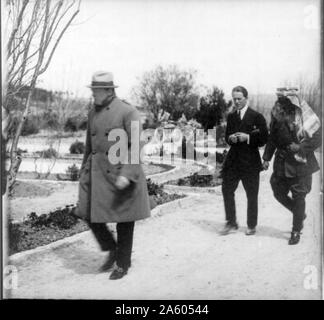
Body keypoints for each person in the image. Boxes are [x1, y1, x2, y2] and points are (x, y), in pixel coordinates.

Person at [75, 71, 151, 279]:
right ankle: (111, 247)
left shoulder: (129, 112)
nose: (93, 95)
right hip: (98, 174)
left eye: (96, 91)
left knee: (125, 220)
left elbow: (137, 145)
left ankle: (122, 263)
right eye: (92, 91)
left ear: (108, 91)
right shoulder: (92, 112)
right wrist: (84, 170)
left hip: (123, 173)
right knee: (86, 211)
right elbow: (89, 146)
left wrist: (127, 174)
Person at [262, 89, 321, 245]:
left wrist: (301, 148)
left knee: (299, 196)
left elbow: (318, 138)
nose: (279, 102)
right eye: (278, 99)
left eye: (283, 99)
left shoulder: (304, 116)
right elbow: (272, 139)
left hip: (301, 163)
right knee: (277, 191)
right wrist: (266, 158)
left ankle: (296, 230)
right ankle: (299, 214)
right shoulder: (276, 116)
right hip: (281, 163)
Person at [221, 86, 268, 235]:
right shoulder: (231, 116)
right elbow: (227, 136)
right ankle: (231, 222)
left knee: (251, 194)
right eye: (234, 98)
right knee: (226, 189)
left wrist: (247, 137)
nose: (236, 102)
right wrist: (231, 138)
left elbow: (264, 139)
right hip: (233, 161)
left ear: (246, 98)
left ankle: (251, 225)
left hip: (250, 162)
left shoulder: (257, 117)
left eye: (239, 99)